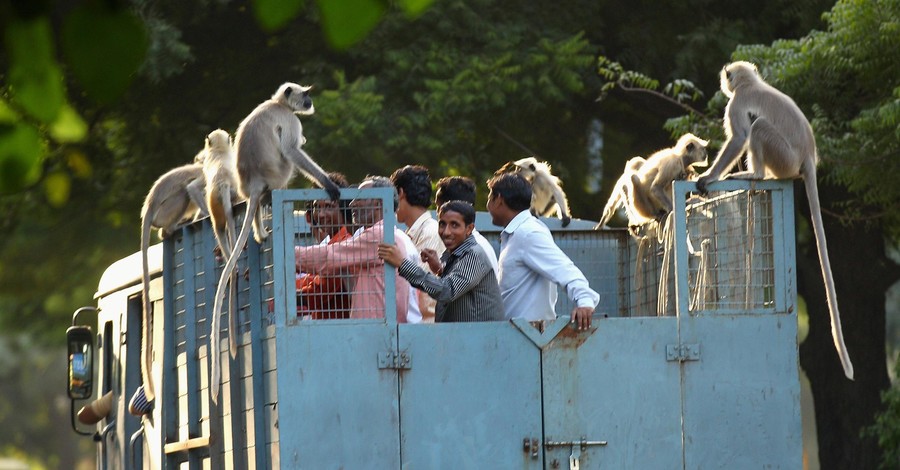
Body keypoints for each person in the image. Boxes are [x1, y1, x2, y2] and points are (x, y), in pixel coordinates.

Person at [485, 172, 599, 330]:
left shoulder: (528, 233)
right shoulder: (517, 233)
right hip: (515, 334)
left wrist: (585, 301)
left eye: (489, 198)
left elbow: (565, 269)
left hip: (528, 338)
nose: (487, 205)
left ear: (499, 200)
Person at [295, 176, 410, 322]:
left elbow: (329, 257)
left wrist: (289, 255)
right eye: (317, 207)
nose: (352, 204)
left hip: (376, 332)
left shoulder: (378, 235)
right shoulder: (384, 234)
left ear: (378, 202)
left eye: (359, 198)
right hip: (376, 330)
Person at [378, 201, 503, 322]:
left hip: (479, 340)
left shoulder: (473, 255)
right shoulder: (456, 253)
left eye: (454, 225)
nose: (446, 232)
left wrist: (402, 263)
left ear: (469, 228)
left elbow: (447, 291)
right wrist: (440, 270)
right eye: (442, 224)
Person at [391, 165, 444, 323]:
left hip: (426, 330)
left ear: (400, 193)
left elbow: (426, 295)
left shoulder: (430, 233)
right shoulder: (413, 234)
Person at [298, 172, 352, 319]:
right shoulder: (332, 242)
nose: (320, 214)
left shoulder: (346, 242)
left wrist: (285, 297)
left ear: (343, 207)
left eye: (328, 206)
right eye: (317, 207)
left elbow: (321, 289)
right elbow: (311, 281)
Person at [434, 175, 499, 273]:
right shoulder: (460, 245)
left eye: (439, 207)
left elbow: (449, 287)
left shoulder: (474, 250)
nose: (437, 213)